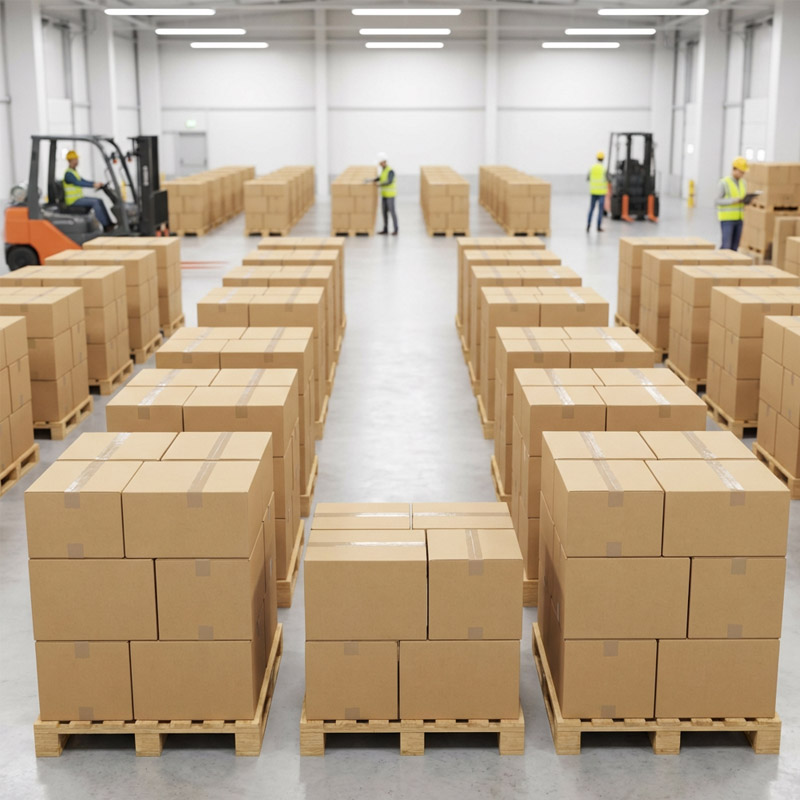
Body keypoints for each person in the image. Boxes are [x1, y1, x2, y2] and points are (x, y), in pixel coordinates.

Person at [62, 150, 114, 231]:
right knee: (95, 202)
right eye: (74, 160)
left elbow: (83, 181)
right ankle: (106, 226)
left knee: (99, 200)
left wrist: (95, 183)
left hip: (78, 198)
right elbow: (78, 183)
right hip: (73, 201)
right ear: (69, 161)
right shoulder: (68, 174)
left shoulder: (74, 172)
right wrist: (93, 185)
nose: (77, 161)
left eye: (77, 159)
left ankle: (109, 224)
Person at [716, 156, 749, 251]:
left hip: (739, 218)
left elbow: (742, 197)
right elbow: (717, 201)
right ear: (734, 169)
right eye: (741, 172)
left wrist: (747, 200)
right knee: (726, 246)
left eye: (744, 172)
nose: (743, 174)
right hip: (727, 219)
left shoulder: (743, 183)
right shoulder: (724, 182)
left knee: (735, 248)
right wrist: (733, 200)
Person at [371, 153, 398, 235]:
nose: (380, 165)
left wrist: (380, 184)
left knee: (392, 212)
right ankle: (385, 229)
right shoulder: (383, 170)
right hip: (384, 195)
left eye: (380, 163)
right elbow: (381, 177)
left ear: (383, 162)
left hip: (390, 196)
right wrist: (373, 180)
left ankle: (396, 229)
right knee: (384, 212)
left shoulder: (390, 171)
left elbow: (389, 181)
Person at [586, 150, 608, 232]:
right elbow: (608, 179)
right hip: (601, 192)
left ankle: (588, 225)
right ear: (603, 159)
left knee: (591, 209)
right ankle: (598, 227)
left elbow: (588, 178)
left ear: (597, 158)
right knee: (600, 210)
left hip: (593, 192)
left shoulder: (592, 168)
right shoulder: (604, 169)